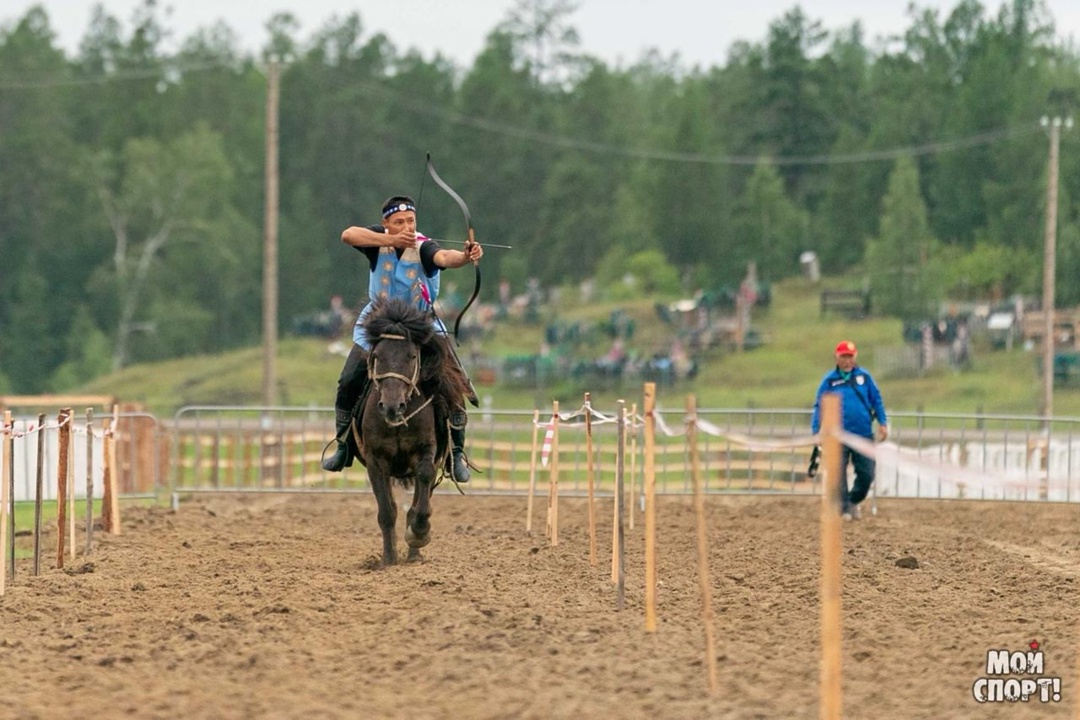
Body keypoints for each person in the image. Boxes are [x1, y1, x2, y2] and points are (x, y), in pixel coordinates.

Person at [322, 195, 483, 481]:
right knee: (348, 379)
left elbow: (444, 257)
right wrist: (389, 241)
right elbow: (348, 235)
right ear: (386, 223)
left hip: (420, 325)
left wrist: (465, 256)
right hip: (379, 324)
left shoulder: (423, 246)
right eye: (399, 222)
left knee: (455, 384)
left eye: (410, 221)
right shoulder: (378, 241)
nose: (406, 227)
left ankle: (457, 453)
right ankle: (344, 444)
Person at [810, 340, 889, 520]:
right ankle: (844, 508)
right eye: (843, 356)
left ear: (855, 357)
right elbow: (819, 406)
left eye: (850, 356)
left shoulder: (865, 378)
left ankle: (853, 500)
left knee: (867, 473)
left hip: (863, 435)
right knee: (838, 473)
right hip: (837, 435)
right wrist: (816, 431)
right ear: (836, 357)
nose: (847, 360)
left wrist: (882, 422)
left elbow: (877, 400)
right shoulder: (829, 381)